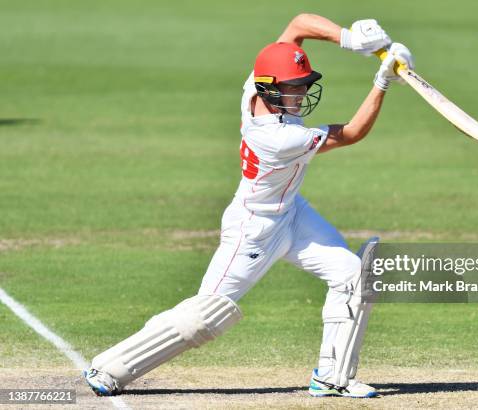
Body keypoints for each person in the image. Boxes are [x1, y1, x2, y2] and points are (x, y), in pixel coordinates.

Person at [84, 13, 413, 398]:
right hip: (253, 229)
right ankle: (109, 369)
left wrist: (350, 40)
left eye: (304, 86)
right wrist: (382, 80)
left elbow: (297, 26)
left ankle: (332, 377)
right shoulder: (279, 138)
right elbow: (352, 132)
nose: (301, 95)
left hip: (292, 213)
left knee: (353, 276)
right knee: (205, 314)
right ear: (271, 91)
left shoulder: (253, 88)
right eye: (294, 89)